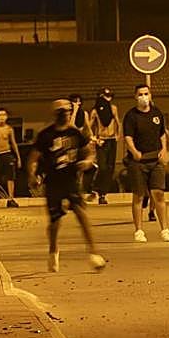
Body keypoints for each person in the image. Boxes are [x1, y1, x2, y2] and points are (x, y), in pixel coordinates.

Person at [25, 99, 106, 273]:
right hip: (53, 182)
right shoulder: (46, 135)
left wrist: (87, 162)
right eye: (62, 112)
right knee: (55, 222)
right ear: (56, 114)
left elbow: (89, 152)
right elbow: (33, 157)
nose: (66, 115)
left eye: (68, 112)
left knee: (81, 215)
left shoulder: (75, 133)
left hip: (71, 181)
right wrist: (33, 175)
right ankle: (53, 250)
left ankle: (93, 252)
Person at [123, 83, 169, 242]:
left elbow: (162, 135)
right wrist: (134, 152)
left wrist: (164, 149)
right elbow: (128, 137)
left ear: (151, 95)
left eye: (146, 94)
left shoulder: (157, 113)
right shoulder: (131, 116)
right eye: (140, 94)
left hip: (155, 160)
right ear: (135, 97)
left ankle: (165, 229)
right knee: (138, 196)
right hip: (138, 162)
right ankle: (139, 231)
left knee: (158, 194)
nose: (144, 97)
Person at [88, 88, 120, 205]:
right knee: (102, 166)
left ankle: (103, 194)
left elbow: (117, 122)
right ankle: (95, 187)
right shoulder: (95, 111)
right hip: (101, 140)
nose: (108, 99)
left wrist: (117, 135)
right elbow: (89, 126)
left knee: (110, 168)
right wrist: (94, 139)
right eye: (106, 96)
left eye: (110, 96)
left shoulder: (113, 109)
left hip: (111, 140)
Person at [0, 107, 21, 208]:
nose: (1, 117)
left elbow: (13, 143)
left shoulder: (9, 129)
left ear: (6, 117)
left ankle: (10, 199)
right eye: (0, 115)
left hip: (7, 154)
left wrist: (18, 157)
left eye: (3, 115)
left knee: (10, 177)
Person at [68, 93, 97, 199]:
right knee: (73, 168)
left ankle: (82, 190)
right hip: (70, 142)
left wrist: (92, 137)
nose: (77, 103)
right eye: (74, 101)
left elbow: (87, 127)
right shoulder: (69, 114)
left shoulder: (84, 113)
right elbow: (71, 126)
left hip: (80, 142)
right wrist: (74, 111)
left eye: (78, 101)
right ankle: (73, 192)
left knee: (84, 166)